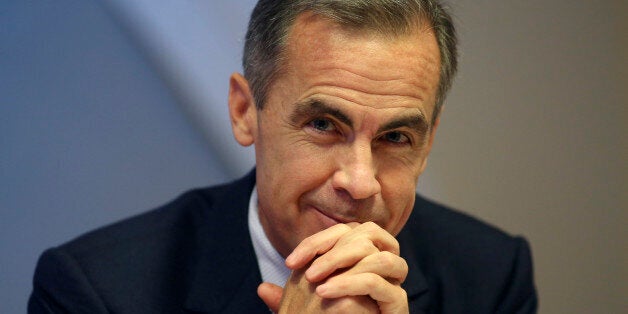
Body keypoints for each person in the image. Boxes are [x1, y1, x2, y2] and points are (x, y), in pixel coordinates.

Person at [28, 0, 537, 313]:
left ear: (427, 144)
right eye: (322, 125)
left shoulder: (489, 274)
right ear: (245, 112)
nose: (360, 182)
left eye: (396, 137)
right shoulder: (96, 292)